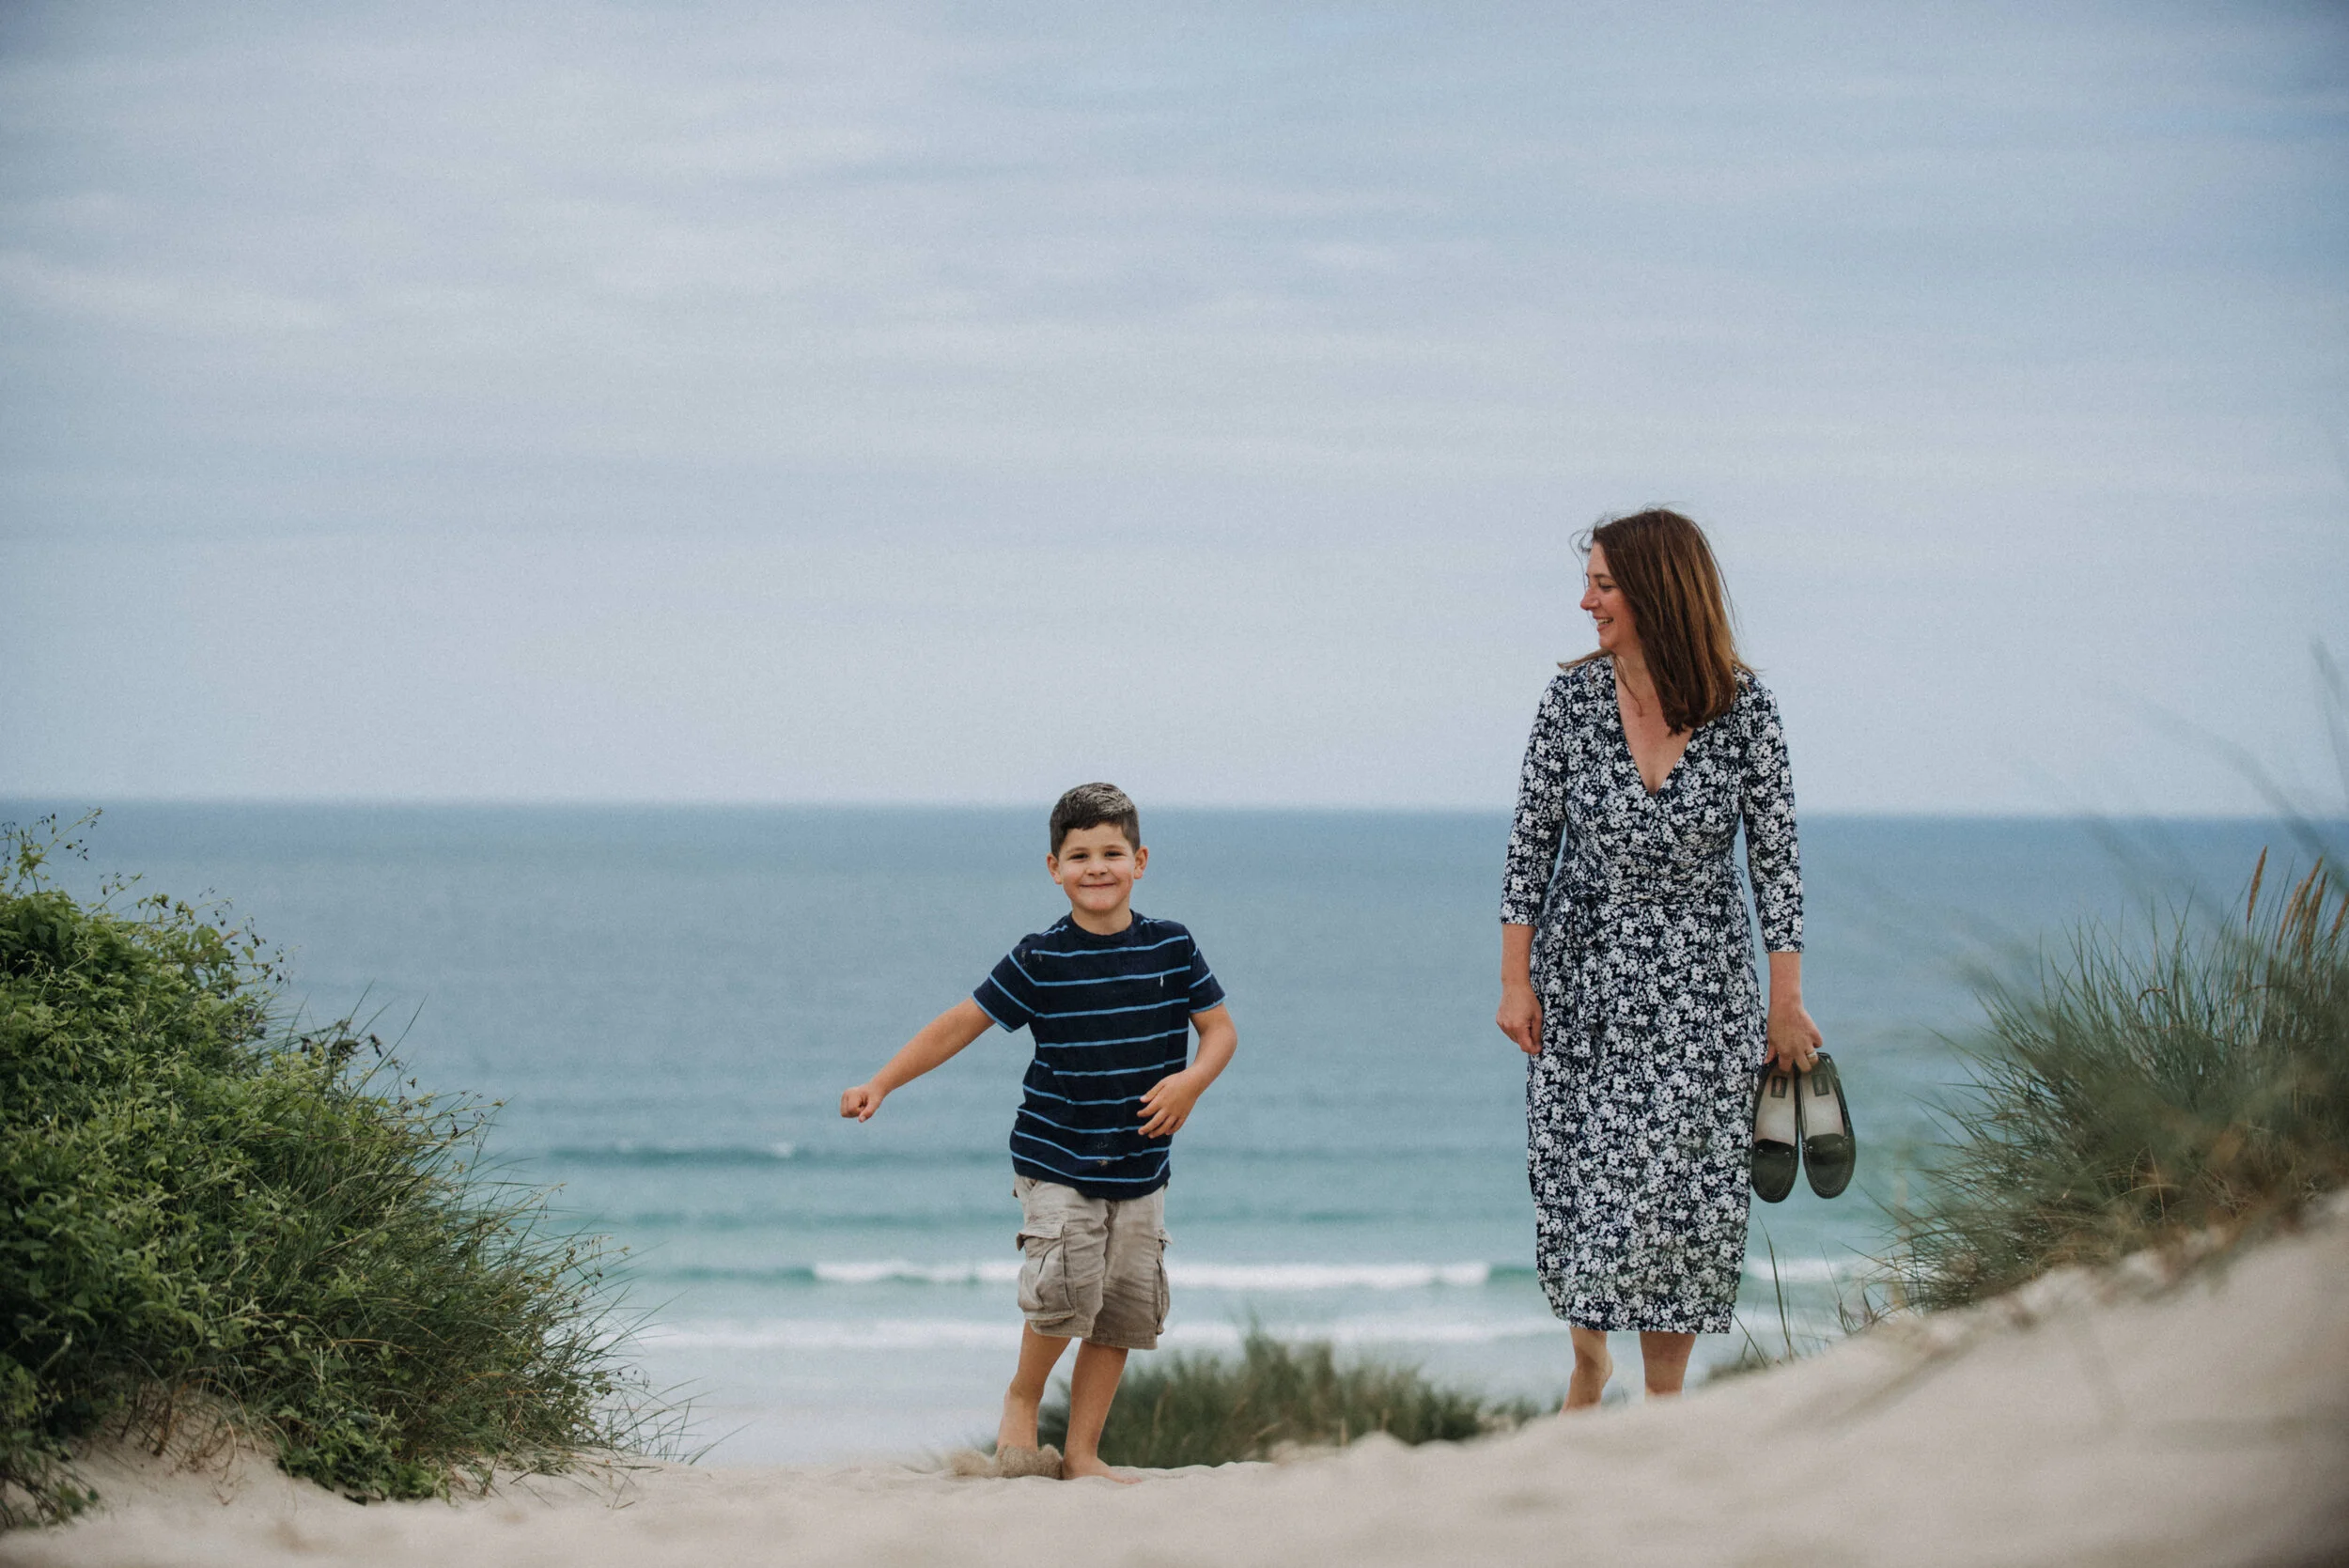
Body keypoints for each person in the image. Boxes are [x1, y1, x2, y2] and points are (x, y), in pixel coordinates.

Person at [1494, 508, 1822, 1409]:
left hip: (1701, 986)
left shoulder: (1745, 708)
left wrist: (1784, 1002)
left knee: (1680, 1193)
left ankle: (1664, 1404)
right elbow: (1531, 847)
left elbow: (1777, 862)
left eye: (1603, 584)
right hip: (1583, 979)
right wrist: (1514, 978)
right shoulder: (1569, 702)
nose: (1586, 601)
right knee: (1578, 1178)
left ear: (1655, 591)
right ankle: (1589, 1351)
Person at [840, 783, 1237, 1482]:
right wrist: (883, 1080)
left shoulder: (1173, 945)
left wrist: (1191, 1082)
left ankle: (1081, 1453)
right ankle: (1023, 1395)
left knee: (1119, 1314)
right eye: (1078, 854)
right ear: (1053, 868)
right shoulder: (1040, 957)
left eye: (1111, 851)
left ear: (1140, 860)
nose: (1096, 866)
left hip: (1142, 1167)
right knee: (1064, 1290)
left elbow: (1220, 1031)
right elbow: (960, 1023)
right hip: (1056, 1157)